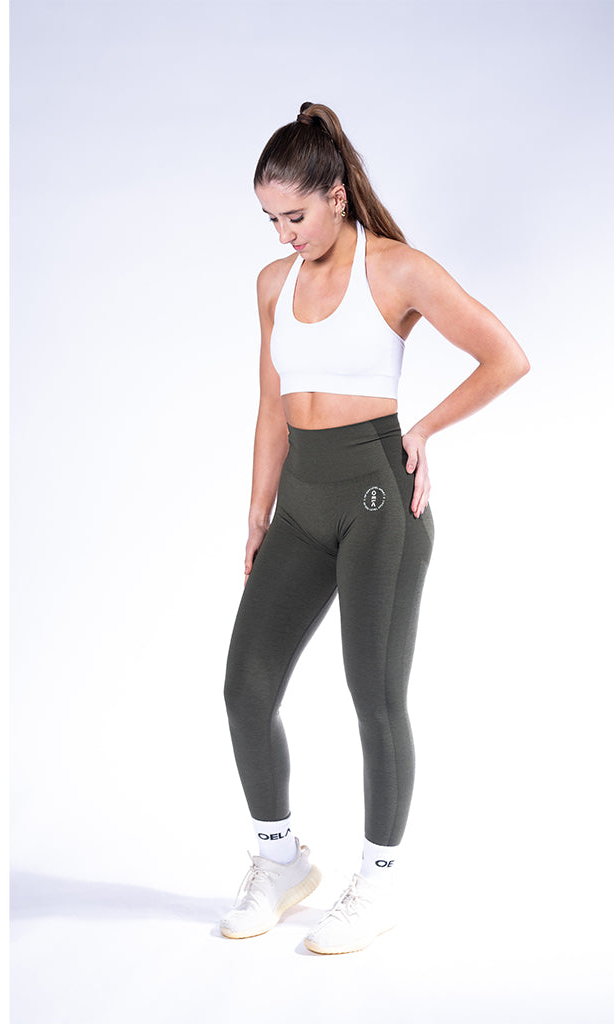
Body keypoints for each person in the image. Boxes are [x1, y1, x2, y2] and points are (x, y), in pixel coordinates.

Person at [220, 102, 530, 955]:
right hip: (301, 504)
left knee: (375, 695)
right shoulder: (273, 284)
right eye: (270, 220)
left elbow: (506, 356)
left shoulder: (396, 270)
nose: (283, 235)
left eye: (295, 216)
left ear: (336, 195)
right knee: (247, 687)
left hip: (377, 504)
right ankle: (280, 861)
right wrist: (257, 512)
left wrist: (423, 429)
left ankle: (379, 882)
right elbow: (271, 406)